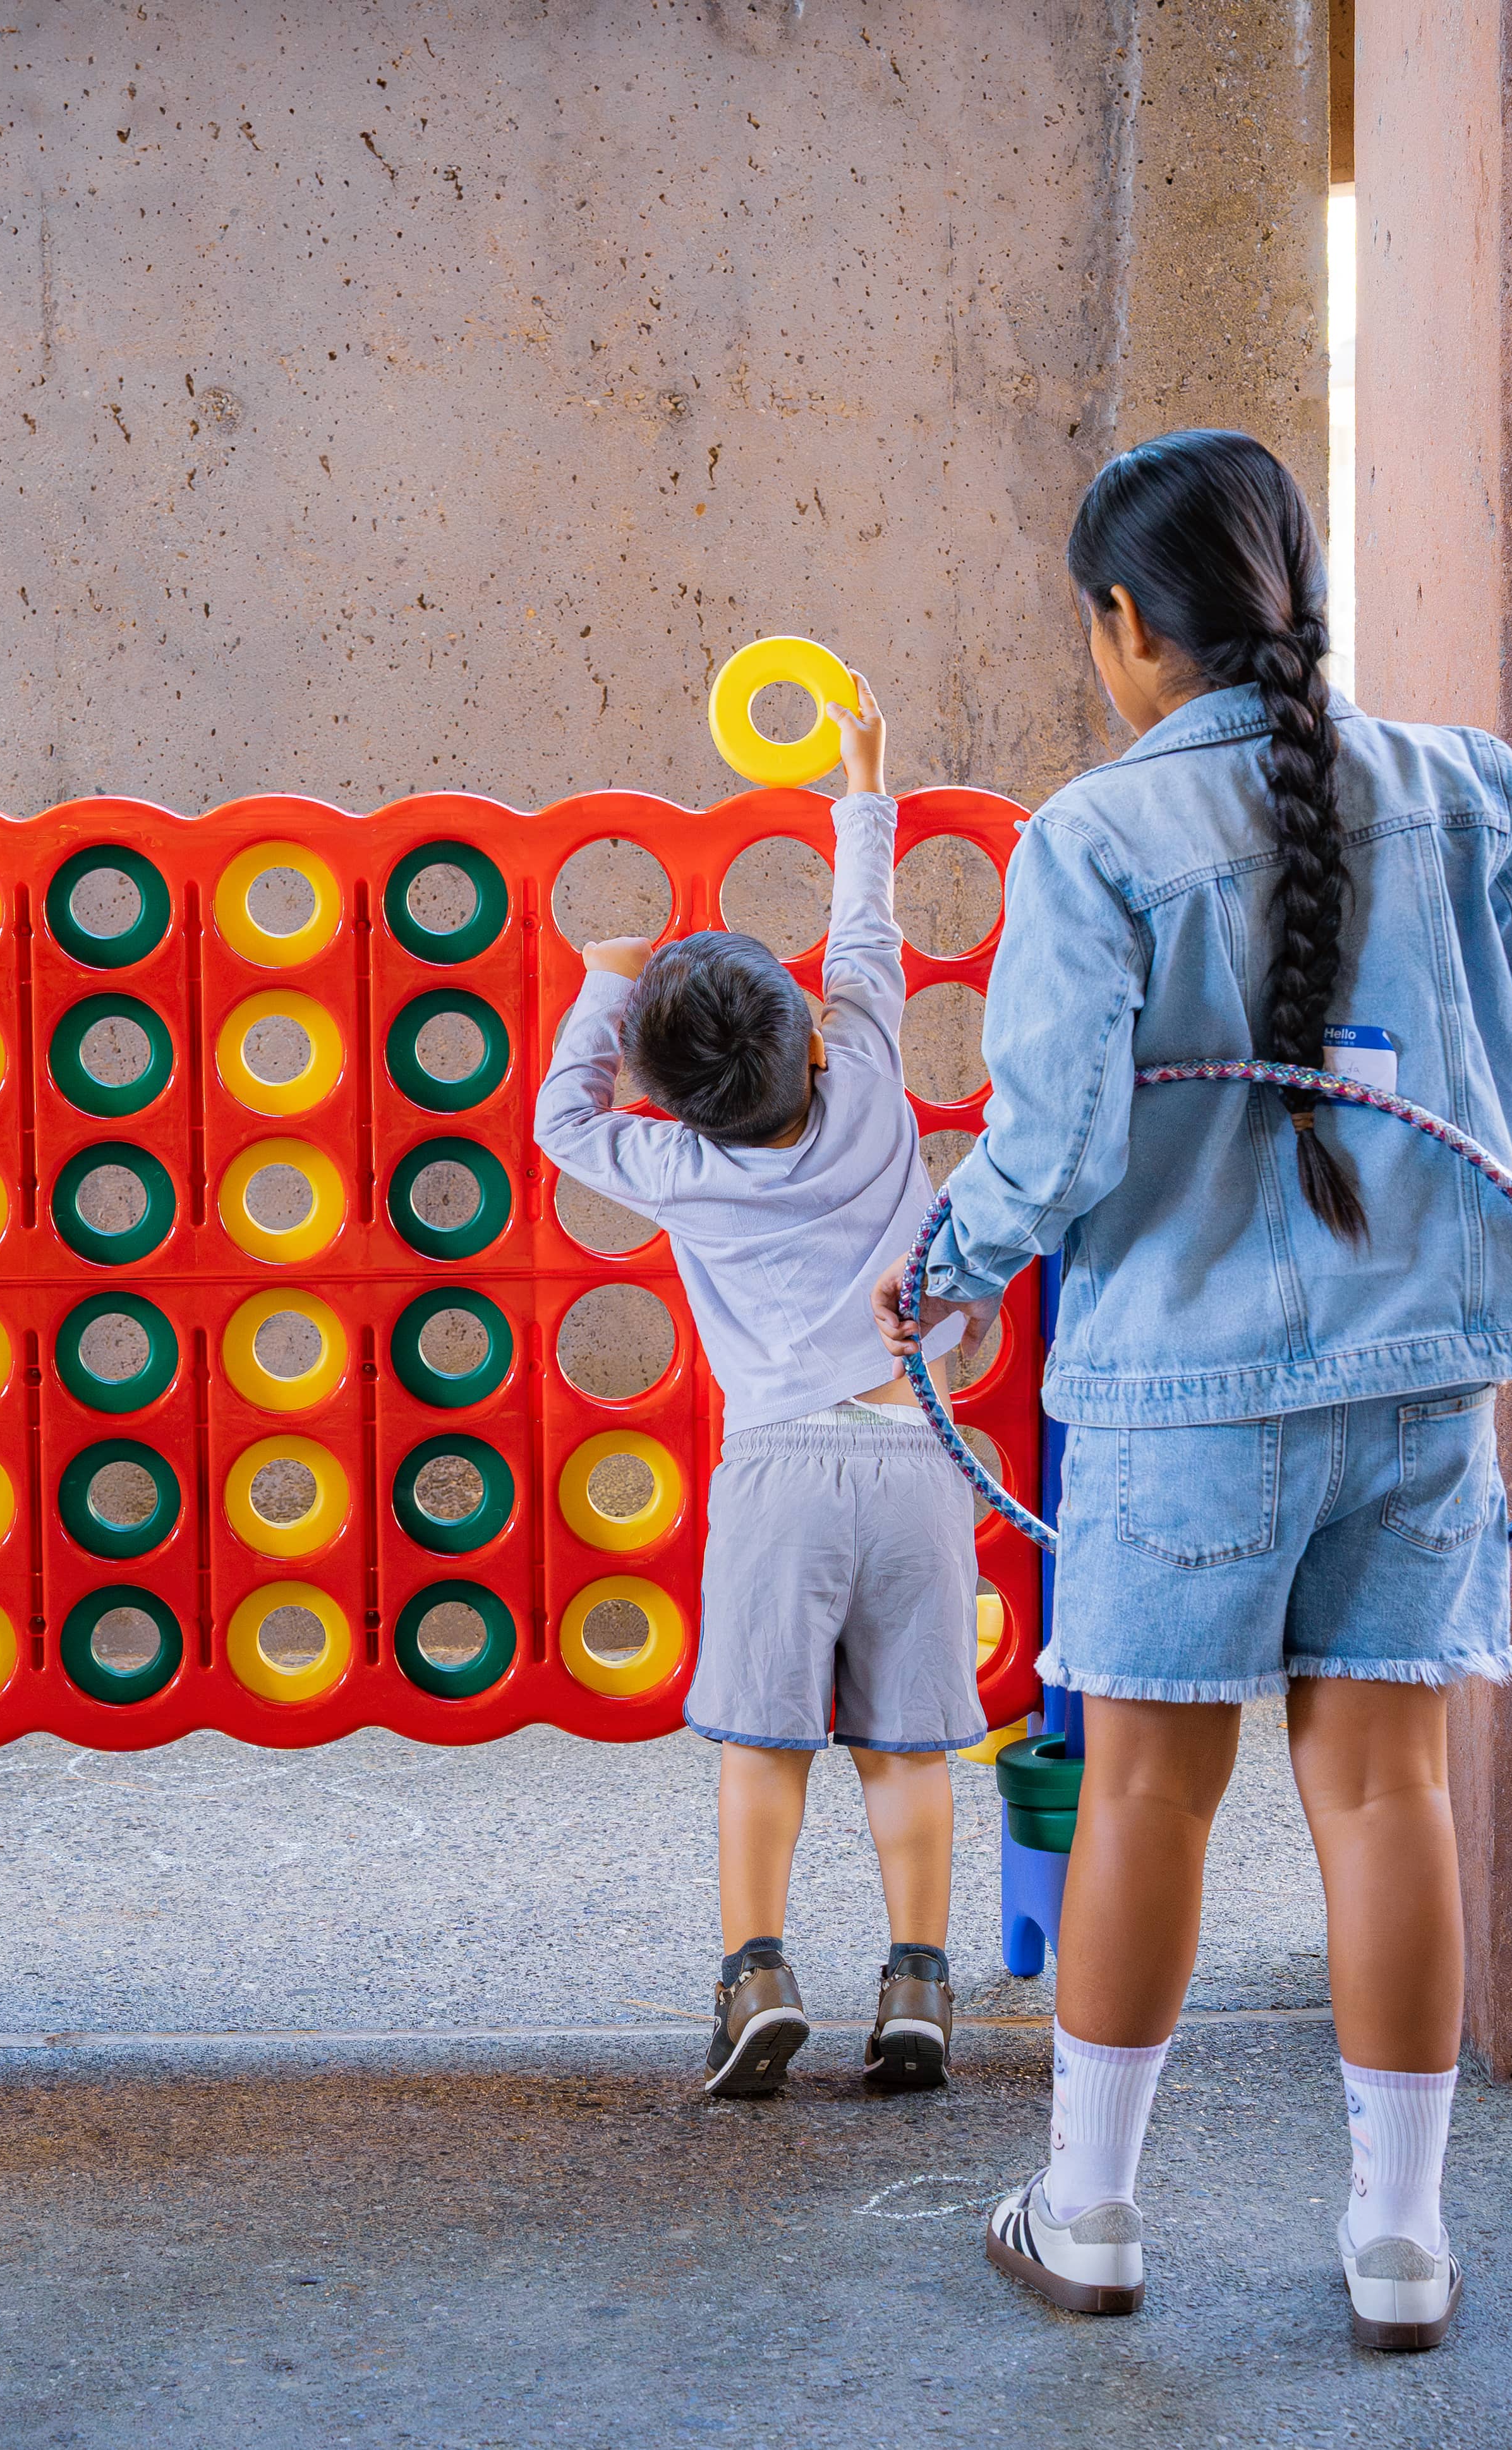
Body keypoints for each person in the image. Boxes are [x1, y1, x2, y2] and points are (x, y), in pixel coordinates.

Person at [870, 428, 1512, 2349]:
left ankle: (1088, 2212)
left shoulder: (1090, 835)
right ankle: (1403, 2244)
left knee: (1150, 1793)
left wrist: (935, 1270)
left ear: (1122, 625)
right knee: (1390, 1788)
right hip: (1426, 1384)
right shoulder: (1459, 783)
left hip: (1184, 1392)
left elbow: (1062, 1135)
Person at [537, 674, 1000, 2100]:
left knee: (764, 1739)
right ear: (805, 1028)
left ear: (664, 1102)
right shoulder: (861, 1066)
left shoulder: (672, 1164)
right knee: (908, 1744)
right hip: (916, 1459)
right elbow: (865, 932)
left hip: (779, 1474)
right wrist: (865, 779)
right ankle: (917, 1984)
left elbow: (563, 1122)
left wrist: (609, 975)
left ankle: (756, 1973)